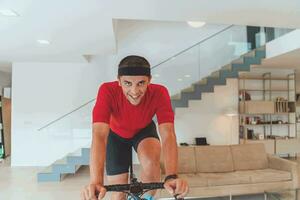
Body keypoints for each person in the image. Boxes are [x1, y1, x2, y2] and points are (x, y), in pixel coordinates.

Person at [81, 55, 189, 200]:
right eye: (127, 83)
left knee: (151, 163)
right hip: (116, 135)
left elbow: (168, 134)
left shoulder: (160, 92)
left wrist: (171, 176)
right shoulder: (107, 90)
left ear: (149, 81)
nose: (134, 91)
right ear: (118, 81)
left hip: (143, 131)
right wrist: (96, 182)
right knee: (119, 194)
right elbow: (99, 134)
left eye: (141, 83)